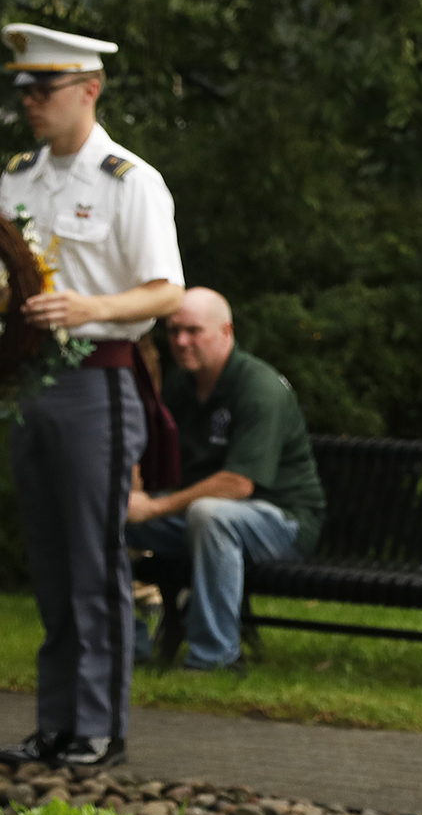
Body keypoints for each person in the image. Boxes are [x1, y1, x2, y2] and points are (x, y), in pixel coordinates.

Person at [0, 24, 184, 771]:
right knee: (48, 559)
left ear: (89, 90)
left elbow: (165, 289)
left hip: (100, 377)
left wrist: (88, 309)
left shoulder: (128, 179)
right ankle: (56, 723)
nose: (31, 104)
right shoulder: (20, 178)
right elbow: (4, 285)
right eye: (24, 92)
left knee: (91, 559)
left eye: (44, 90)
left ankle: (99, 728)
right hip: (33, 381)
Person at [126, 288, 324, 672]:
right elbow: (153, 457)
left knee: (210, 514)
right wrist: (133, 492)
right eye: (174, 331)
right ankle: (124, 644)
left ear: (226, 331)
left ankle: (214, 657)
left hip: (282, 522)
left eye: (194, 331)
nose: (181, 342)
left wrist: (154, 507)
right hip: (200, 516)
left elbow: (238, 484)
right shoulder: (182, 386)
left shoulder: (258, 388)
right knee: (106, 518)